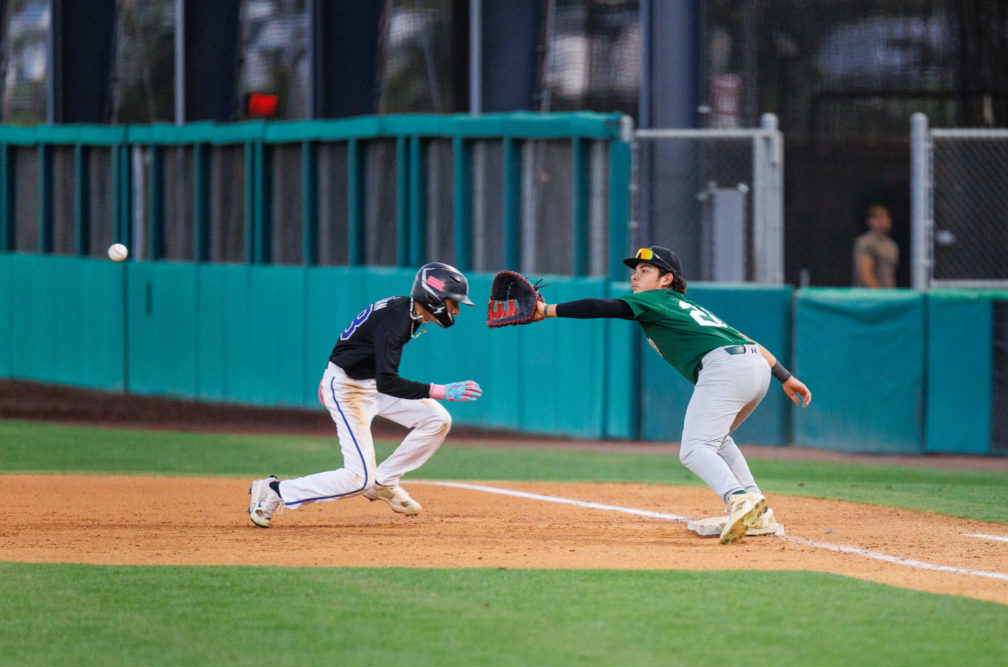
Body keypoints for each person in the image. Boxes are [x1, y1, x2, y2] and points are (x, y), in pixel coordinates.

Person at [528, 246, 812, 543]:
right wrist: (785, 376)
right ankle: (759, 511)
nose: (635, 276)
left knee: (694, 448)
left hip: (725, 368)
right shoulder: (683, 307)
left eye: (645, 271)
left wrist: (547, 311)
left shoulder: (655, 299)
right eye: (635, 271)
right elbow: (749, 341)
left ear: (666, 279)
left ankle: (739, 500)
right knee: (717, 440)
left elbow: (604, 308)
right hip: (755, 367)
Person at [248, 262, 483, 528]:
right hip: (348, 390)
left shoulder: (405, 309)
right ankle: (276, 491)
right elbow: (388, 382)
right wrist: (439, 390)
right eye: (453, 302)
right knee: (358, 479)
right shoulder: (398, 318)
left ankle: (384, 482)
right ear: (433, 297)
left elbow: (365, 355)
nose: (456, 310)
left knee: (437, 419)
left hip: (365, 382)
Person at [852, 203, 898, 288]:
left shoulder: (891, 245)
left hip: (888, 295)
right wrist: (878, 294)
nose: (884, 221)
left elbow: (891, 274)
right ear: (870, 221)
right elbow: (865, 273)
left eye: (886, 217)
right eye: (879, 218)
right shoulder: (866, 242)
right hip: (870, 297)